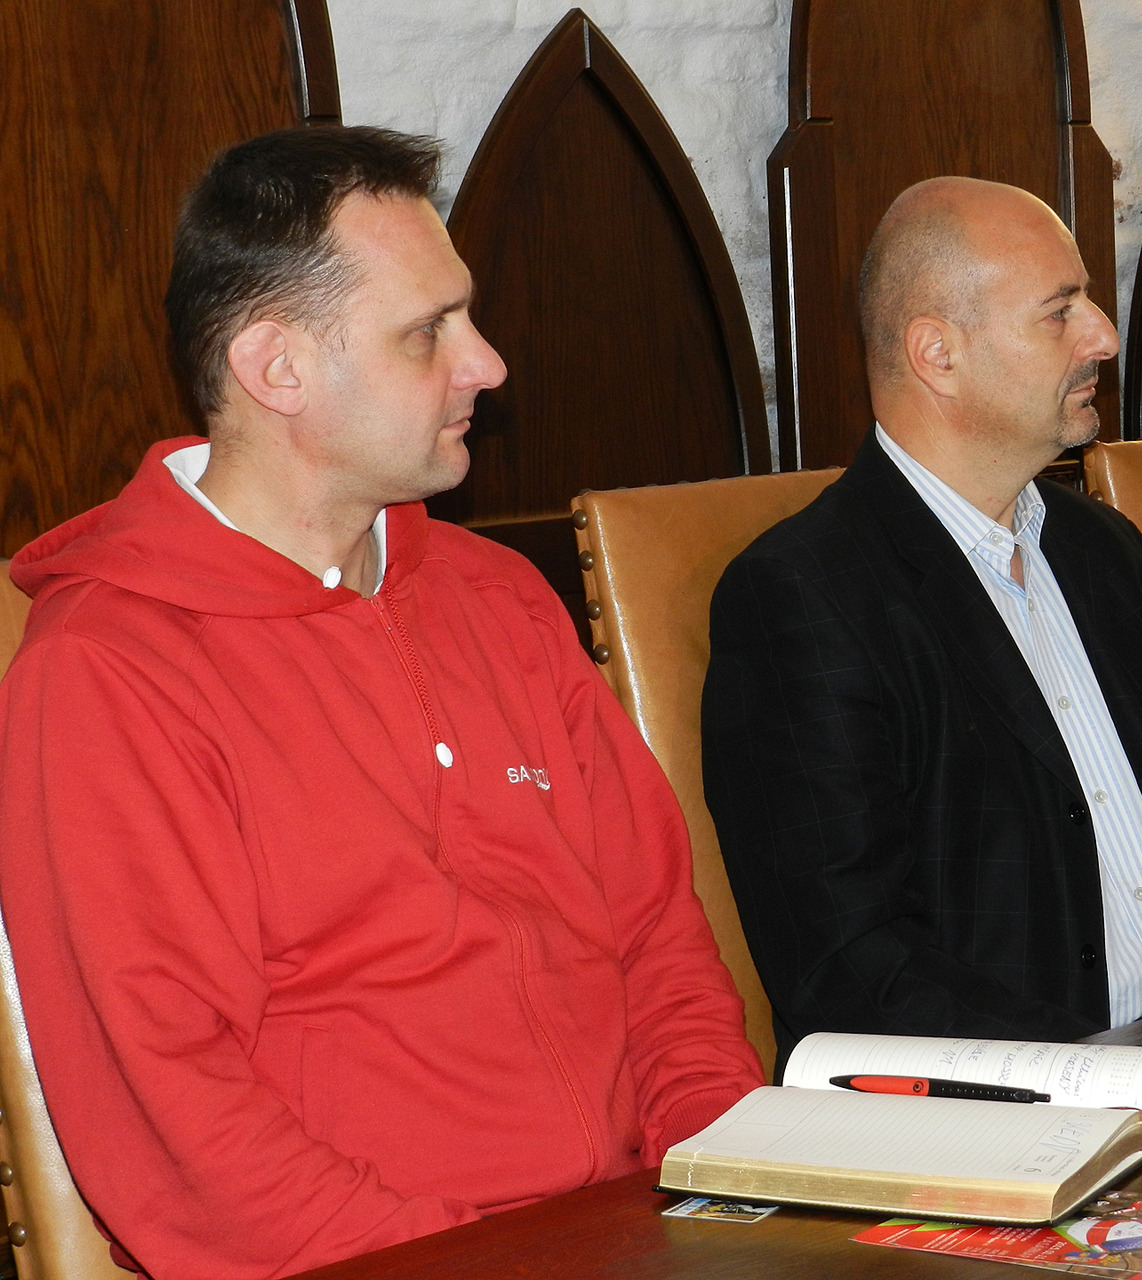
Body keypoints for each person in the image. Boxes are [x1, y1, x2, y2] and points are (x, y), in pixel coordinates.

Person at [0, 126, 762, 1280]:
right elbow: (182, 1128)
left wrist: (724, 1188)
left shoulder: (498, 597)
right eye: (427, 332)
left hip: (637, 1229)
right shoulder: (110, 671)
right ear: (277, 370)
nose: (487, 363)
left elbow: (660, 939)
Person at [701, 177, 1142, 1069]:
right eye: (1059, 312)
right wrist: (1108, 1073)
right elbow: (851, 966)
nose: (1102, 336)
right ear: (937, 354)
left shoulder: (1100, 548)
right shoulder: (802, 595)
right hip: (1026, 1101)